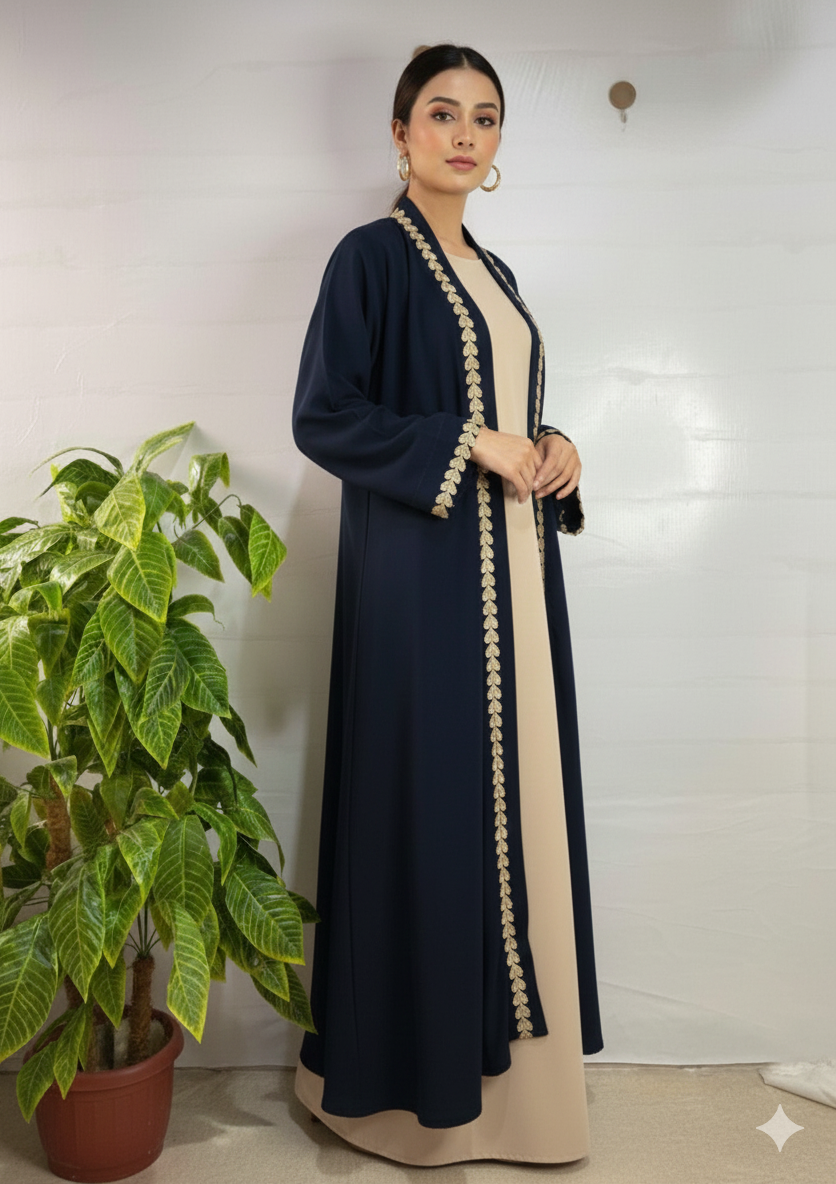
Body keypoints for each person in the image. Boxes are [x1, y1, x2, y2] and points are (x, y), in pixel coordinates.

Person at [291, 43, 604, 1166]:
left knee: (518, 809)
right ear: (400, 133)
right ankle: (407, 1100)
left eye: (484, 117)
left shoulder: (498, 273)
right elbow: (324, 415)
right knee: (427, 812)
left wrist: (552, 446)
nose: (464, 134)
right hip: (420, 587)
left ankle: (528, 1099)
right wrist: (469, 442)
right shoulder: (370, 258)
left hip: (515, 575)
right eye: (440, 113)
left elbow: (506, 413)